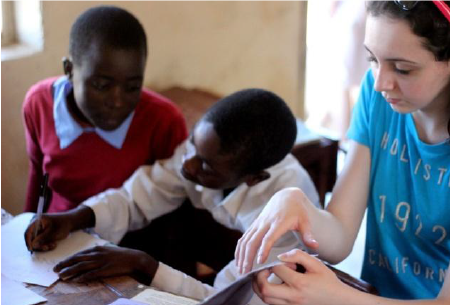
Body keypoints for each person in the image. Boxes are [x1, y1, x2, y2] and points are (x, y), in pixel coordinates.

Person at [235, 0, 450, 303]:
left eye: (402, 69)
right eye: (372, 59)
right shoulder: (379, 102)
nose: (380, 83)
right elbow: (340, 236)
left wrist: (336, 296)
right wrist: (295, 202)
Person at [24, 88, 320, 303]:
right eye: (193, 145)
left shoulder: (285, 220)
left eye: (206, 165)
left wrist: (144, 264)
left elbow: (223, 299)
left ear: (252, 178)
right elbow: (138, 195)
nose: (188, 165)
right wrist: (74, 217)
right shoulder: (209, 154)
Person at [22, 6, 187, 213]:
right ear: (70, 70)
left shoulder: (164, 121)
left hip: (132, 241)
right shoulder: (39, 104)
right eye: (102, 85)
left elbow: (174, 201)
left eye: (132, 87)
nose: (117, 101)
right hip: (58, 236)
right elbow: (38, 178)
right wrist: (26, 226)